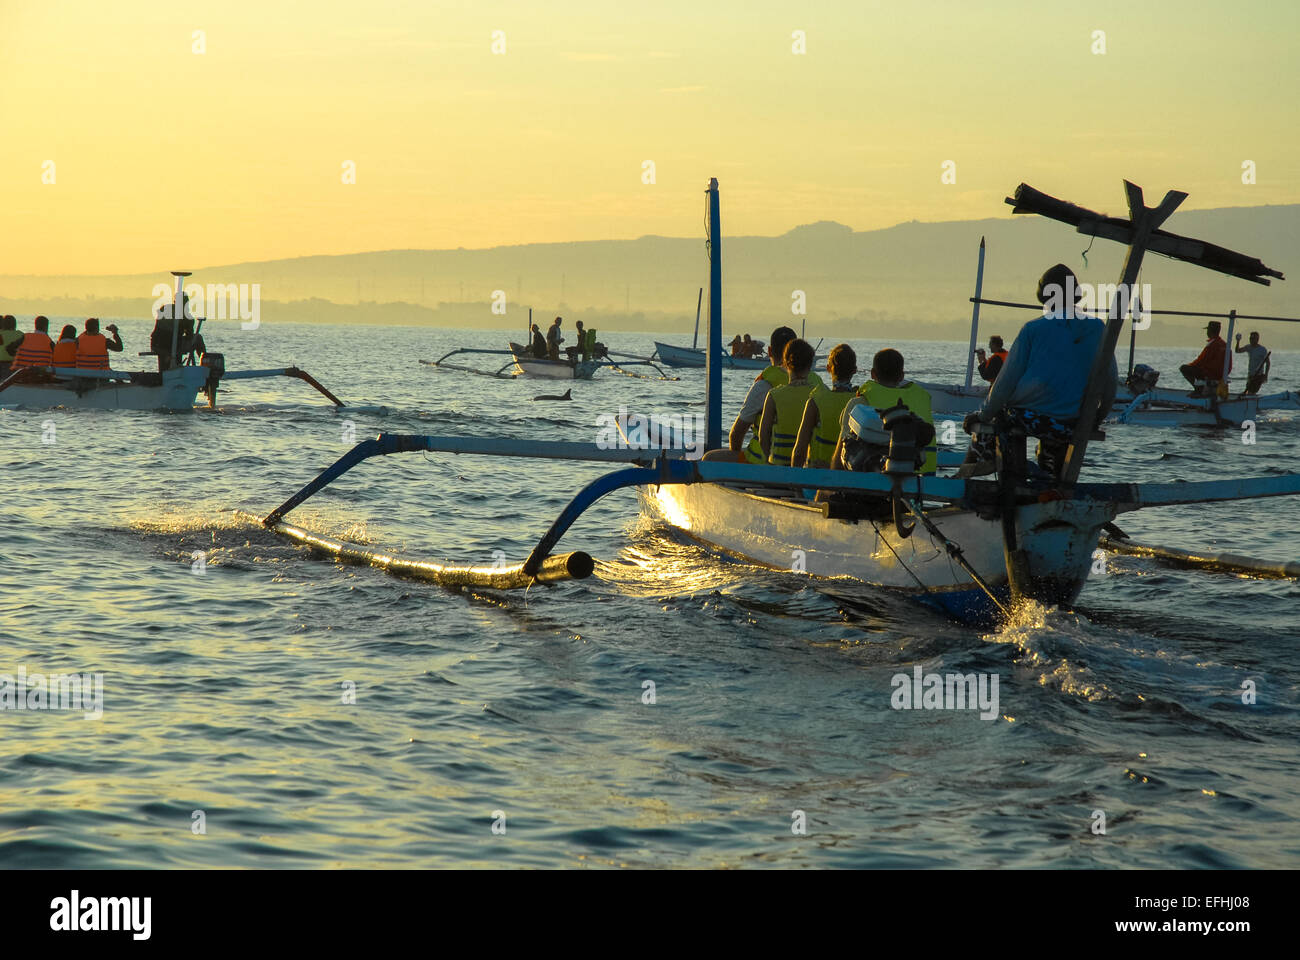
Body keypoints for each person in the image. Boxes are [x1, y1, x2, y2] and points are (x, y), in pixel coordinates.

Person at [958, 263, 1117, 480]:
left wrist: (982, 414)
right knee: (1051, 449)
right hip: (1072, 420)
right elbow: (1111, 382)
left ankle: (967, 481)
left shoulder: (1033, 329)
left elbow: (1005, 383)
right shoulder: (1098, 328)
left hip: (1031, 417)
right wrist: (1097, 417)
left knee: (992, 420)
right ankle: (1052, 480)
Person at [703, 325, 825, 462]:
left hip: (764, 463)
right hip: (806, 463)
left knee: (709, 458)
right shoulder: (818, 384)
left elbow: (736, 435)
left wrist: (738, 467)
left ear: (770, 351)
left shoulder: (764, 386)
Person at [832, 348, 937, 474]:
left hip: (873, 487)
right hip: (923, 486)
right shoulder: (922, 400)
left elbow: (838, 463)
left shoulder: (859, 404)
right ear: (901, 376)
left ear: (873, 374)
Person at [792, 344, 857, 468]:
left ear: (828, 368)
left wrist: (795, 483)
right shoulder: (860, 403)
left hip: (816, 477)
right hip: (847, 478)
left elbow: (799, 451)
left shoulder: (816, 401)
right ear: (854, 370)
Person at [758, 339, 818, 465]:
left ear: (785, 362)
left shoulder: (774, 395)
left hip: (777, 468)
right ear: (810, 364)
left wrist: (765, 466)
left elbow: (763, 436)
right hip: (807, 470)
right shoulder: (819, 395)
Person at [1179, 320, 1230, 395]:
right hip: (1222, 374)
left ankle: (1198, 388)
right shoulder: (1224, 344)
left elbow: (1201, 360)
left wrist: (1190, 365)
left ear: (1210, 331)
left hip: (1210, 372)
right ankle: (1202, 387)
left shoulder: (1212, 344)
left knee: (1184, 368)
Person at [1235, 331, 1270, 395]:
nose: (1251, 340)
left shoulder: (1262, 349)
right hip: (1250, 375)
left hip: (1258, 375)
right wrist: (1238, 341)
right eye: (1250, 338)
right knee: (1248, 391)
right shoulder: (1249, 347)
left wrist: (1266, 375)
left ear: (1257, 339)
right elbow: (1237, 351)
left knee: (1251, 392)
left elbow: (1268, 363)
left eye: (1253, 338)